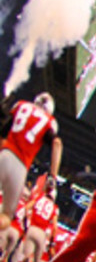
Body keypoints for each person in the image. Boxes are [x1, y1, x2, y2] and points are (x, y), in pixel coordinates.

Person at [0, 93, 61, 236]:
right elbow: (57, 144)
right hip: (20, 166)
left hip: (5, 154)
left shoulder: (21, 105)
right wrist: (53, 176)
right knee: (6, 218)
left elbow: (3, 133)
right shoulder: (49, 121)